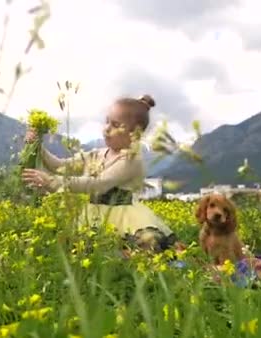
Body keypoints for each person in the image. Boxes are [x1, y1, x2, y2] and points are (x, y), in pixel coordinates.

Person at [22, 94, 181, 253]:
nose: (107, 128)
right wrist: (38, 146)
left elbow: (99, 184)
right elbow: (60, 166)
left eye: (115, 124)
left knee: (139, 248)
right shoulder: (97, 154)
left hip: (125, 219)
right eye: (107, 121)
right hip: (95, 216)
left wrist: (51, 182)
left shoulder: (131, 160)